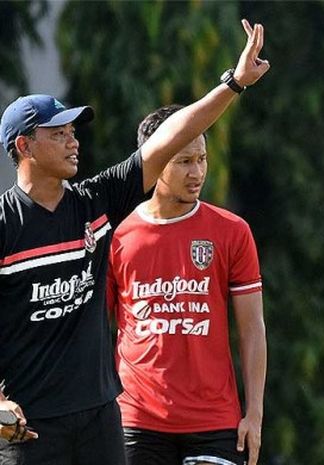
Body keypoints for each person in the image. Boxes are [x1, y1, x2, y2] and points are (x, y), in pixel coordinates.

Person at [0, 19, 269, 465]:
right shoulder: (6, 225)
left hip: (101, 421)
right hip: (29, 428)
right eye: (59, 133)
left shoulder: (96, 204)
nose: (73, 142)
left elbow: (170, 137)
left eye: (73, 132)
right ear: (25, 146)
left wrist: (234, 83)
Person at [107, 103, 266, 465]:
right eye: (183, 161)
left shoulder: (232, 232)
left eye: (202, 159)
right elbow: (94, 329)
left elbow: (252, 329)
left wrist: (254, 415)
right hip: (136, 421)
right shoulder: (116, 235)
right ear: (154, 159)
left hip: (214, 422)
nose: (197, 172)